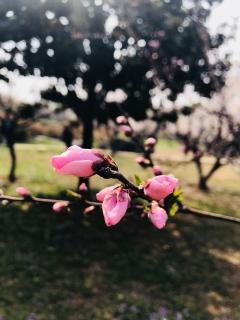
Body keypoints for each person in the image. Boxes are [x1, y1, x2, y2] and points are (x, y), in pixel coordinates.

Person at [1, 109, 17, 182]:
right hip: (6, 140)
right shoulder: (3, 121)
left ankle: (11, 175)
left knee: (13, 157)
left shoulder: (12, 121)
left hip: (11, 141)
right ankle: (11, 175)